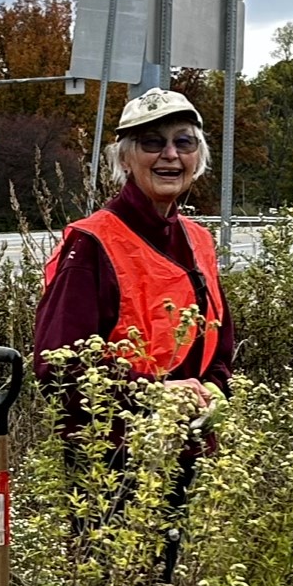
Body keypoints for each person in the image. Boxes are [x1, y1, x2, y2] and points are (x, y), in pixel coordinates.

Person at [32, 86, 235, 410]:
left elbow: (219, 350)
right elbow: (59, 371)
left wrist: (214, 390)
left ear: (198, 157)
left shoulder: (200, 241)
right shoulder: (92, 243)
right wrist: (155, 394)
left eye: (184, 142)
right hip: (112, 455)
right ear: (124, 158)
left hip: (194, 451)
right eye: (152, 142)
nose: (170, 154)